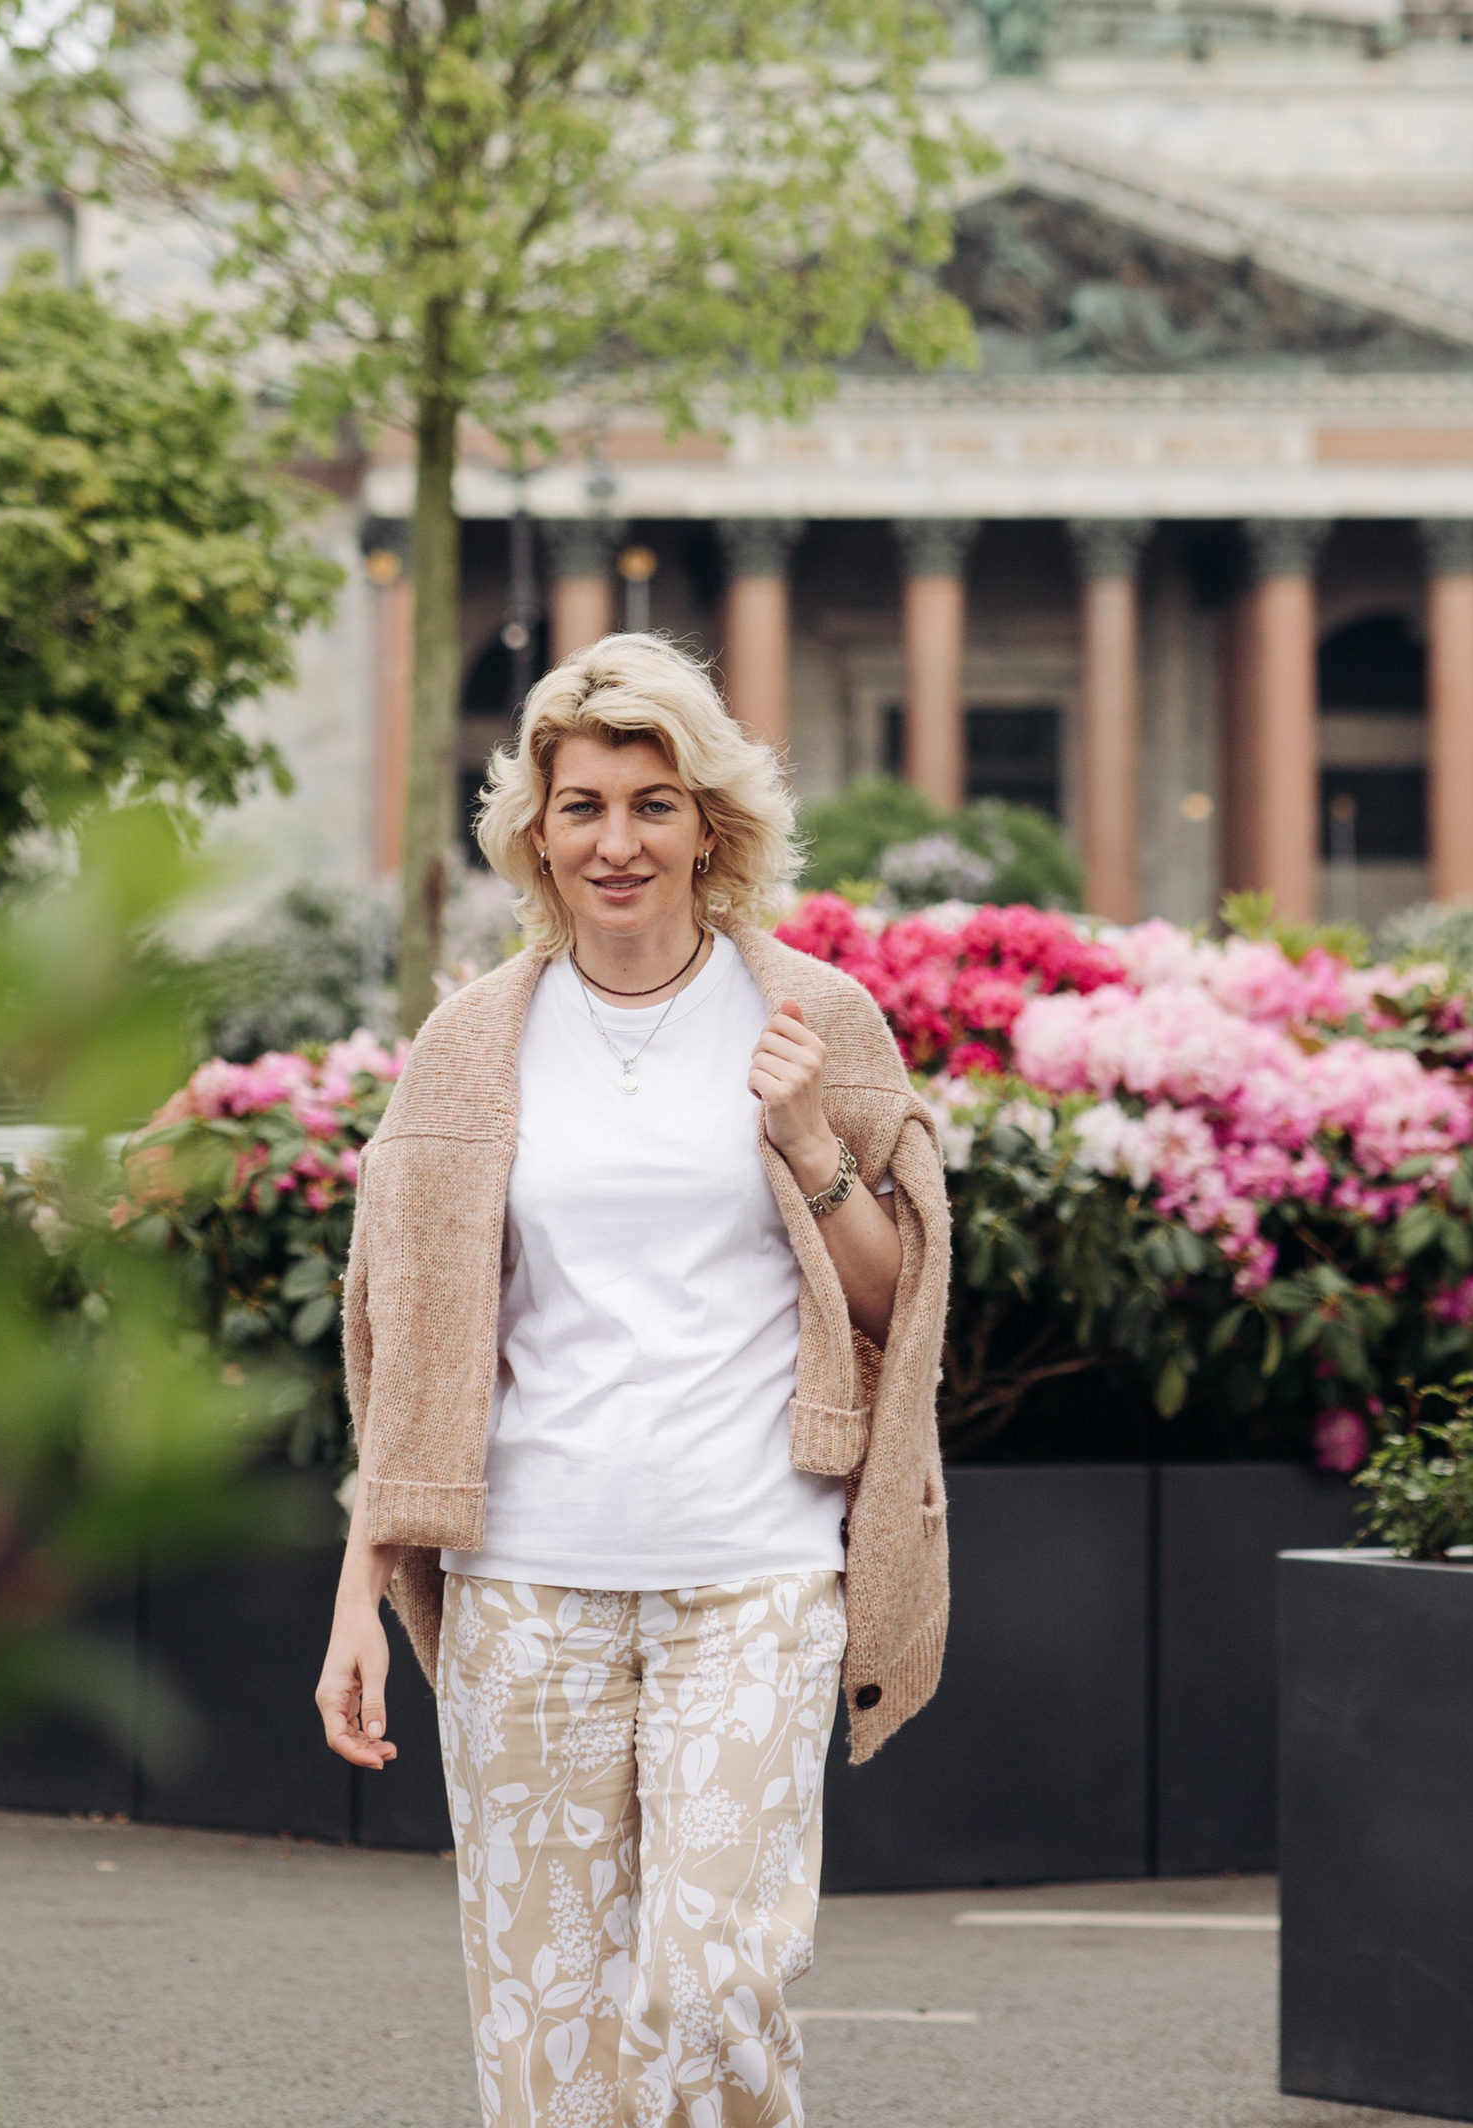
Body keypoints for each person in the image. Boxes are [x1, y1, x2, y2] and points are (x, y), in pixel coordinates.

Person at [320, 633, 950, 2128]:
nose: (618, 842)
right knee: (547, 2035)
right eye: (584, 806)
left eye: (654, 805)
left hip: (755, 1574)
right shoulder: (471, 1046)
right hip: (526, 1588)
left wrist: (812, 1145)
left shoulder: (812, 1020)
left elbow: (898, 1302)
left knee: (713, 1987)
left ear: (710, 827)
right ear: (537, 832)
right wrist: (360, 1590)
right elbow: (411, 1348)